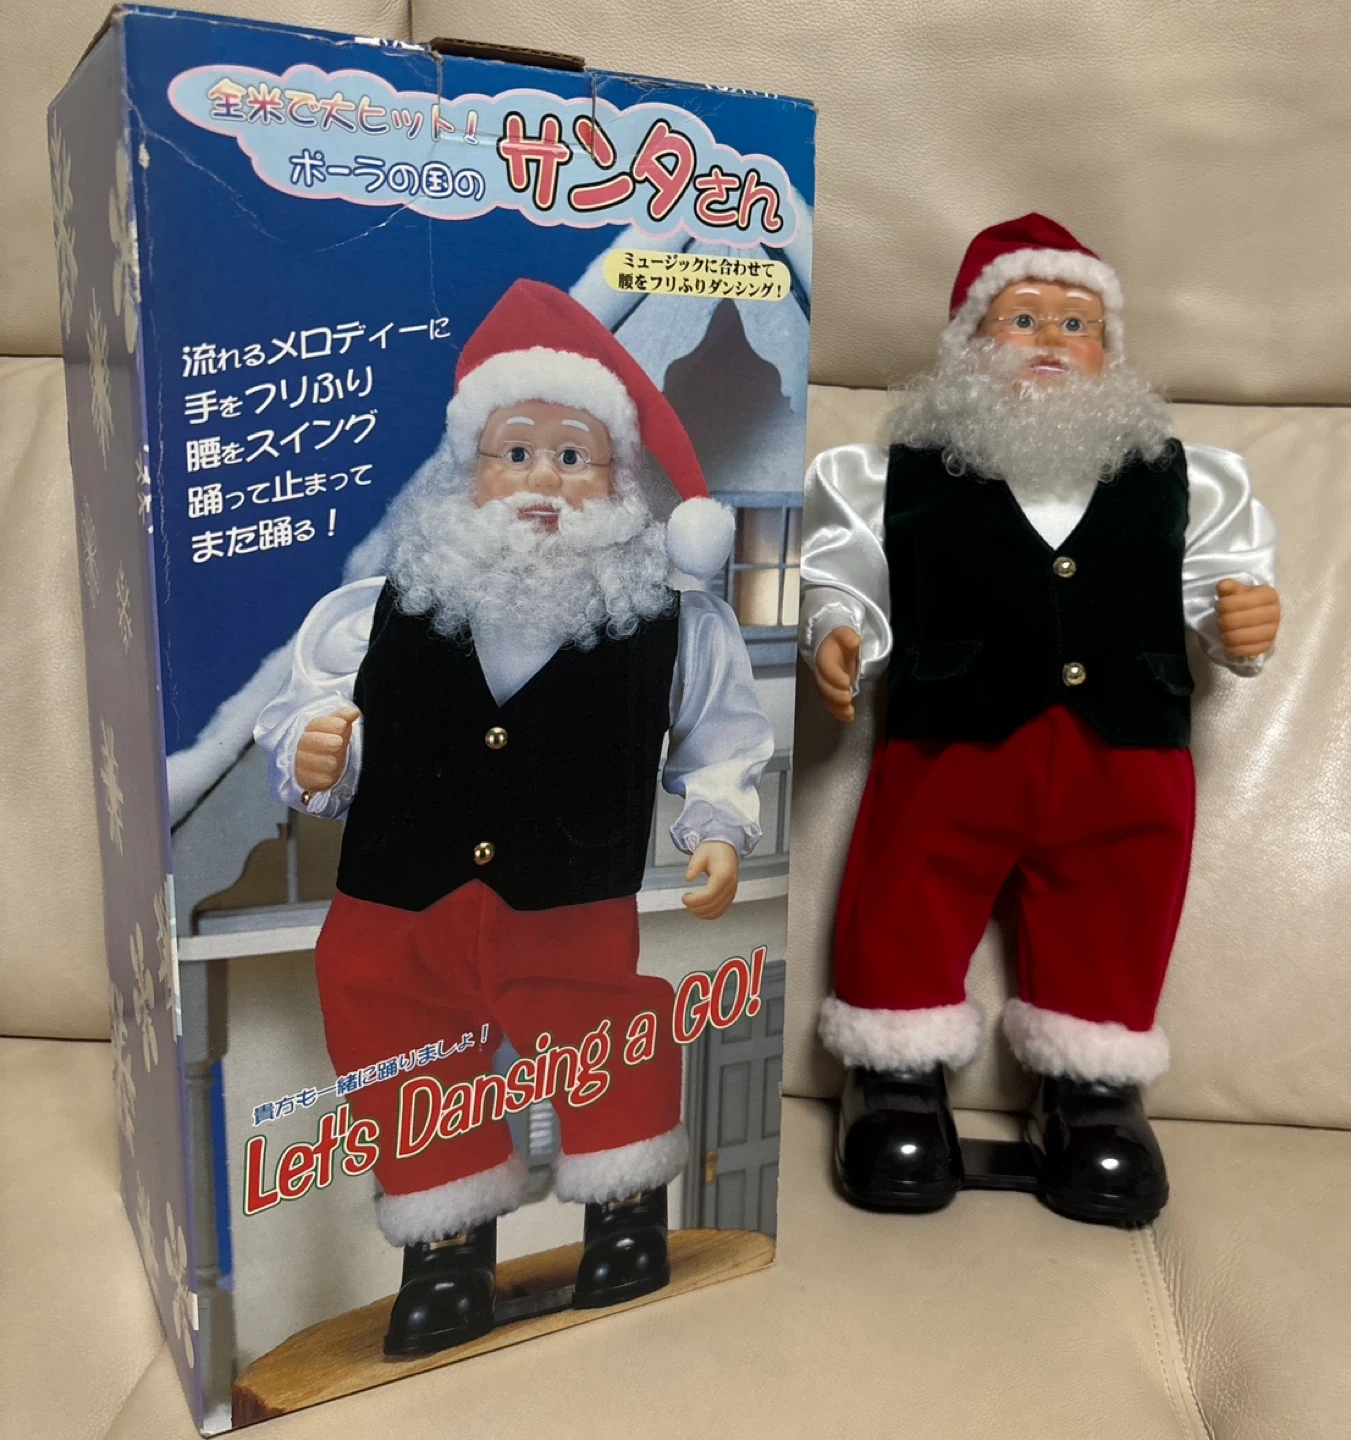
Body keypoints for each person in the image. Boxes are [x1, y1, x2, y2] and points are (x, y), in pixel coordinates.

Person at [255, 279, 773, 1353]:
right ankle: (446, 1257)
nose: (544, 479)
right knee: (402, 1055)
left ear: (620, 480)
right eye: (517, 451)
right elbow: (310, 714)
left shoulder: (674, 626)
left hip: (568, 901)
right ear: (470, 471)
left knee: (605, 1036)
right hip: (395, 911)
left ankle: (625, 1216)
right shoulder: (373, 612)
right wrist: (314, 752)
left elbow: (722, 742)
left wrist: (718, 831)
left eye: (574, 456)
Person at [800, 214, 1280, 1226]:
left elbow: (1221, 578)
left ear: (1112, 353)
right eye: (1022, 319)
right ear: (967, 346)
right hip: (949, 744)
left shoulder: (1187, 480)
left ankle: (1091, 1089)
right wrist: (840, 631)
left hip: (1127, 754)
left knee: (1118, 904)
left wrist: (1239, 615)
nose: (1053, 340)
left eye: (1078, 323)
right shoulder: (893, 478)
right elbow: (847, 573)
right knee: (908, 886)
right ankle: (894, 1073)